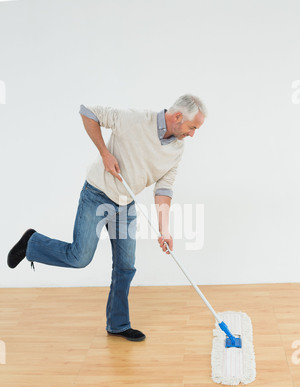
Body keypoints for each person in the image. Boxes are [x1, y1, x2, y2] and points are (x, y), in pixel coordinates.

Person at [7, 94, 206, 341]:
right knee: (79, 258)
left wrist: (164, 229)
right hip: (97, 194)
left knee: (125, 266)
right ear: (178, 117)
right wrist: (104, 153)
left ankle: (118, 324)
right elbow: (88, 111)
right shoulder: (134, 119)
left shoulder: (177, 149)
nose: (193, 134)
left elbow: (164, 188)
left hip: (126, 205)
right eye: (192, 127)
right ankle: (32, 243)